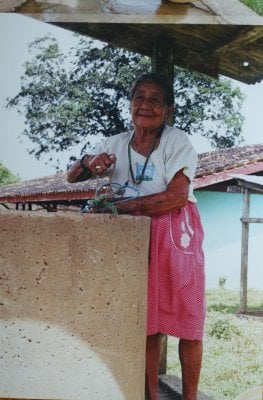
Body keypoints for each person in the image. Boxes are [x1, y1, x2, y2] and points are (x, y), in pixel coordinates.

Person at [67, 73, 205, 400]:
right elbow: (72, 176)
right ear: (130, 105)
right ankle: (149, 396)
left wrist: (124, 206)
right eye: (139, 98)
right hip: (130, 240)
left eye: (155, 99)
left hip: (174, 233)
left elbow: (176, 196)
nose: (145, 104)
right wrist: (89, 162)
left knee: (188, 317)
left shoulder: (177, 142)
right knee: (145, 320)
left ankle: (189, 397)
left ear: (168, 110)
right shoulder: (115, 143)